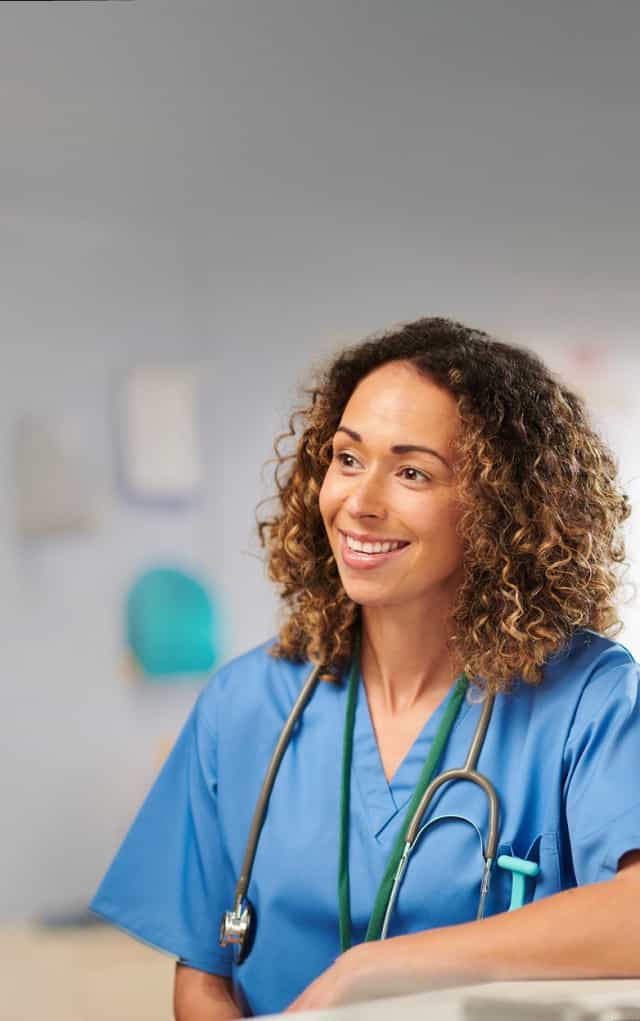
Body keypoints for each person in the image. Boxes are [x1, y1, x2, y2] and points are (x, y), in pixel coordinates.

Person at [91, 317, 640, 1019]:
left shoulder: (589, 699)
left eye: (412, 471)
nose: (360, 501)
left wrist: (372, 971)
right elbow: (204, 978)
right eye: (348, 458)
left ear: (500, 508)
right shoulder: (247, 703)